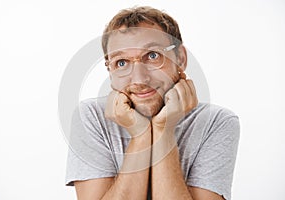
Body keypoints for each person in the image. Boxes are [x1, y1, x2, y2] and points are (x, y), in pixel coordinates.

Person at [65, 6, 240, 200]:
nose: (139, 79)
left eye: (153, 56)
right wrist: (140, 134)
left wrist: (164, 129)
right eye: (122, 62)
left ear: (180, 59)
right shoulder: (91, 116)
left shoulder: (216, 122)